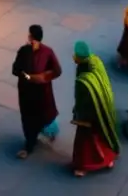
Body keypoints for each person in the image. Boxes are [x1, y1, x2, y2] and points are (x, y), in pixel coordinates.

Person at [12, 24, 63, 159]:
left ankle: (31, 142)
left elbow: (15, 70)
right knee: (34, 116)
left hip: (34, 92)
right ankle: (31, 142)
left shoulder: (28, 51)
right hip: (35, 92)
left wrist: (38, 77)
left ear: (31, 37)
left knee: (34, 116)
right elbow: (15, 69)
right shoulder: (41, 51)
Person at [70, 41, 120, 177]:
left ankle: (84, 166)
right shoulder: (95, 61)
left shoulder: (84, 81)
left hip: (90, 113)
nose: (73, 56)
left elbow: (83, 100)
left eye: (75, 55)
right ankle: (108, 158)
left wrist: (78, 113)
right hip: (105, 103)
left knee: (86, 140)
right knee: (104, 133)